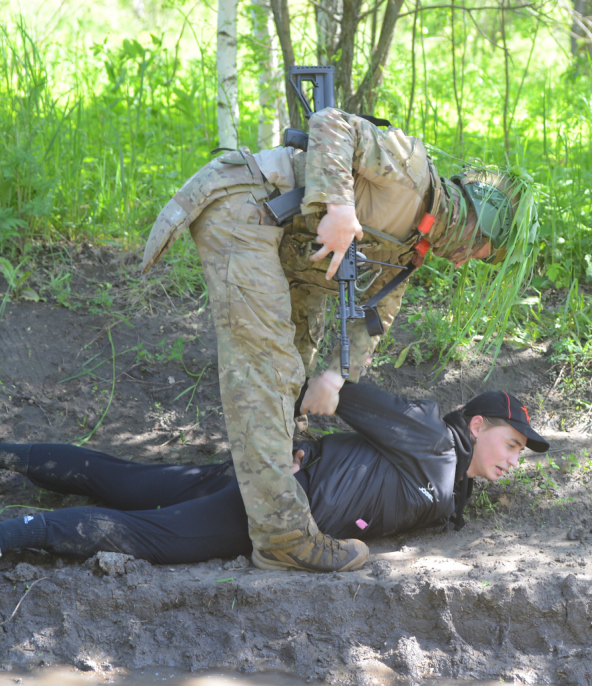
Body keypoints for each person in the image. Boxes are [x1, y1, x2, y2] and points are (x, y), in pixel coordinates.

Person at [140, 106, 537, 573]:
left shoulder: (411, 247)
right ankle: (283, 535)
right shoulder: (410, 173)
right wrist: (341, 207)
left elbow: (373, 317)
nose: (466, 262)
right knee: (269, 368)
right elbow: (333, 122)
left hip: (282, 246)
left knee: (298, 363)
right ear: (475, 226)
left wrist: (334, 376)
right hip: (245, 208)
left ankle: (279, 467)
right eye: (480, 253)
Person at [0, 382, 548, 610]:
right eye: (513, 444)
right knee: (148, 536)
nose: (514, 461)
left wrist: (308, 450)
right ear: (477, 427)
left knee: (124, 480)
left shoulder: (446, 479)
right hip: (273, 506)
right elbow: (340, 389)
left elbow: (362, 463)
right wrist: (324, 407)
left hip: (277, 476)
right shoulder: (435, 441)